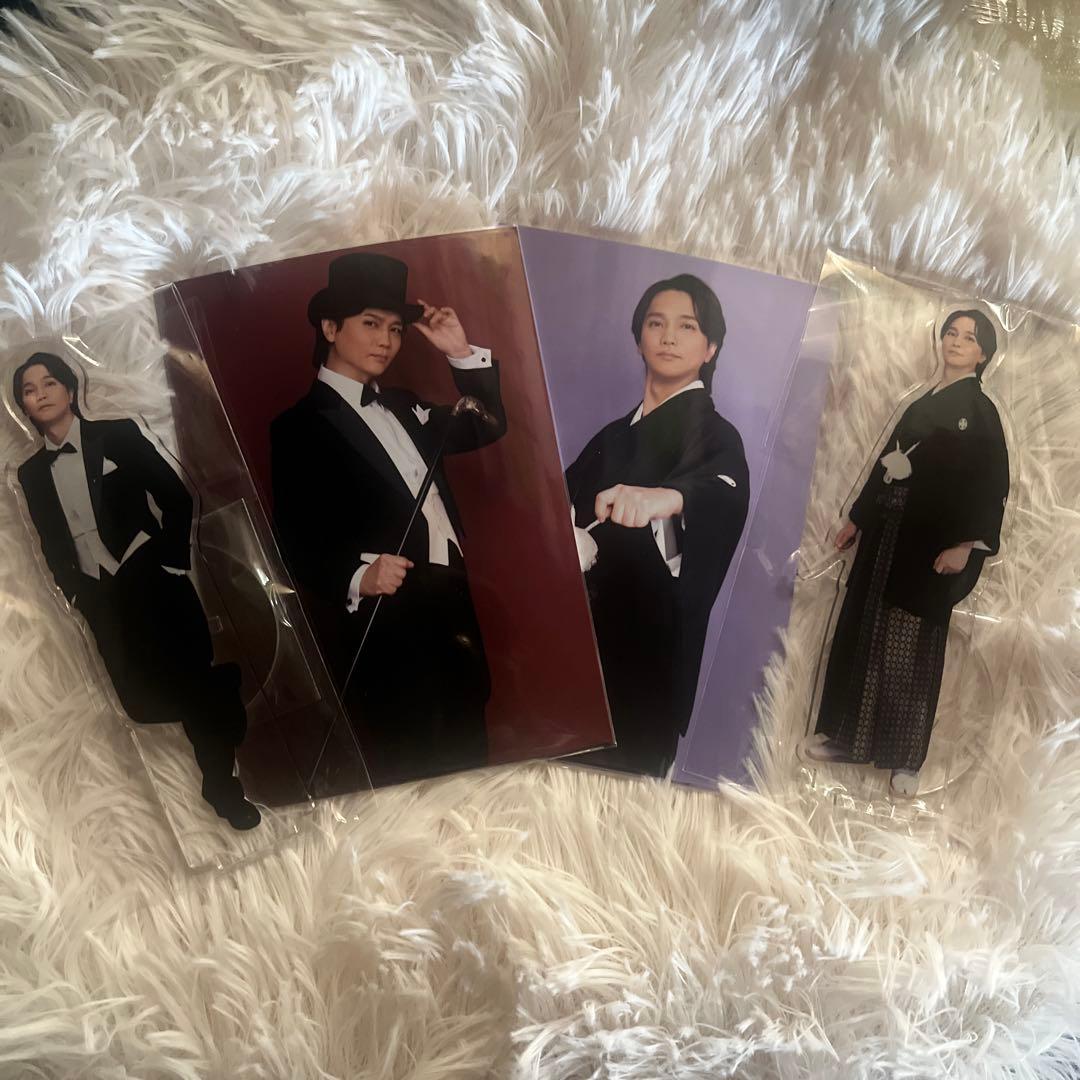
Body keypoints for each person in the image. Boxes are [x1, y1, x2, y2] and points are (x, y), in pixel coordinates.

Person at [270, 252, 507, 785]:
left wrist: (459, 351)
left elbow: (486, 425)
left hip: (455, 610)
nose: (386, 341)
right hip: (391, 628)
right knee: (416, 775)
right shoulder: (299, 427)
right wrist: (360, 575)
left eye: (396, 329)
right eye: (371, 324)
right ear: (330, 328)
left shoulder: (403, 404)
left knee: (472, 768)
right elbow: (295, 542)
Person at [13, 352, 260, 829]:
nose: (40, 394)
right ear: (22, 405)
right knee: (141, 703)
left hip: (151, 576)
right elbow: (50, 542)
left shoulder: (119, 434)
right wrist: (76, 593)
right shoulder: (31, 474)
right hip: (100, 595)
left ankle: (222, 789)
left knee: (188, 681)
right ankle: (220, 685)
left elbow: (175, 495)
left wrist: (171, 560)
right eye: (29, 389)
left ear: (70, 389)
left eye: (49, 383)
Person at [803, 309, 1010, 797]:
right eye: (950, 333)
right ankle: (848, 737)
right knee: (864, 632)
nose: (955, 342)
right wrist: (857, 518)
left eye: (968, 338)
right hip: (887, 538)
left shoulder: (980, 412)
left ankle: (905, 759)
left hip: (930, 547)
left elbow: (991, 484)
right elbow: (887, 465)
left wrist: (965, 545)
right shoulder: (922, 403)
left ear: (983, 354)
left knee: (909, 648)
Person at [565, 274, 750, 777]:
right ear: (639, 338)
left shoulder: (717, 437)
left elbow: (724, 493)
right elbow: (560, 501)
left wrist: (665, 498)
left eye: (687, 326)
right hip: (581, 645)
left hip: (648, 649)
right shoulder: (611, 435)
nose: (669, 337)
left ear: (710, 347)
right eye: (656, 323)